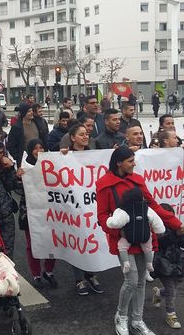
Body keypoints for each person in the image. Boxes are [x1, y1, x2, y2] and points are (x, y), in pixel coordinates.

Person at [97, 147, 184, 335]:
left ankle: (138, 320)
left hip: (144, 237)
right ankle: (121, 317)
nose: (134, 163)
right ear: (119, 162)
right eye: (130, 160)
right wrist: (117, 232)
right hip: (123, 240)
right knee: (131, 281)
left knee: (141, 283)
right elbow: (102, 216)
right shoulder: (104, 184)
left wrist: (176, 224)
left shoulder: (137, 180)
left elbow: (153, 206)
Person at [61, 124, 104, 295]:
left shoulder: (94, 155)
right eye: (81, 135)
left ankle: (92, 275)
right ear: (72, 138)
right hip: (74, 206)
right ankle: (79, 279)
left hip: (91, 204)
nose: (85, 137)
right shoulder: (65, 155)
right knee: (78, 241)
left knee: (91, 238)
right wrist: (61, 157)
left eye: (86, 134)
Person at [15, 139, 57, 289]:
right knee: (31, 244)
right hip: (30, 212)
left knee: (51, 241)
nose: (38, 150)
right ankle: (36, 274)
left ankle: (49, 271)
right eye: (35, 148)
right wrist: (18, 177)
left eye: (41, 147)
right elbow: (17, 190)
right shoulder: (25, 166)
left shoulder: (51, 165)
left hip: (49, 210)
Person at [151, 203, 184, 330]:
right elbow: (162, 242)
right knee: (171, 289)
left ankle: (158, 292)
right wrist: (176, 234)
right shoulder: (156, 228)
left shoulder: (176, 227)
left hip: (177, 262)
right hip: (162, 262)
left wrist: (183, 234)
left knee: (174, 286)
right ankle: (171, 314)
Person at [107, 186, 166, 274]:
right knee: (148, 248)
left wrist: (109, 220)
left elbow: (115, 223)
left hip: (128, 236)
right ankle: (149, 263)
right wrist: (160, 231)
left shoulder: (124, 210)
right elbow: (156, 220)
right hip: (145, 235)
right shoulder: (147, 208)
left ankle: (126, 263)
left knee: (122, 246)